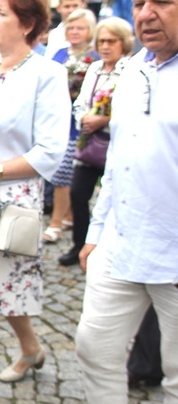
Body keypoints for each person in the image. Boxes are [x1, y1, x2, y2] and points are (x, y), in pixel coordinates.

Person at [47, 0, 178, 404]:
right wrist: (97, 232)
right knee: (95, 346)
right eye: (140, 2)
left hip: (174, 252)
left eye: (160, 2)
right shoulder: (135, 70)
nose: (146, 13)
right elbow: (120, 154)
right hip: (121, 244)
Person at [0, 0, 71, 404]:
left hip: (12, 201)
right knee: (9, 283)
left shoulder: (47, 73)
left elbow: (51, 150)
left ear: (27, 24)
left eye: (2, 13)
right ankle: (31, 348)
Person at [58, 16, 132, 266]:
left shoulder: (130, 70)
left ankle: (108, 246)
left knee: (114, 197)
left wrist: (105, 120)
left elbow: (130, 111)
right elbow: (79, 103)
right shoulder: (94, 68)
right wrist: (85, 119)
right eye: (101, 41)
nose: (106, 46)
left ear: (123, 43)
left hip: (114, 144)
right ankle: (80, 244)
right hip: (89, 145)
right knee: (78, 194)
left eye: (111, 41)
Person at [44, 8, 100, 243]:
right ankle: (65, 216)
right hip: (57, 116)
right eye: (72, 27)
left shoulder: (94, 58)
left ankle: (58, 222)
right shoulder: (59, 53)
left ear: (89, 31)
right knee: (61, 172)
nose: (75, 32)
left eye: (81, 28)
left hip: (78, 123)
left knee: (65, 173)